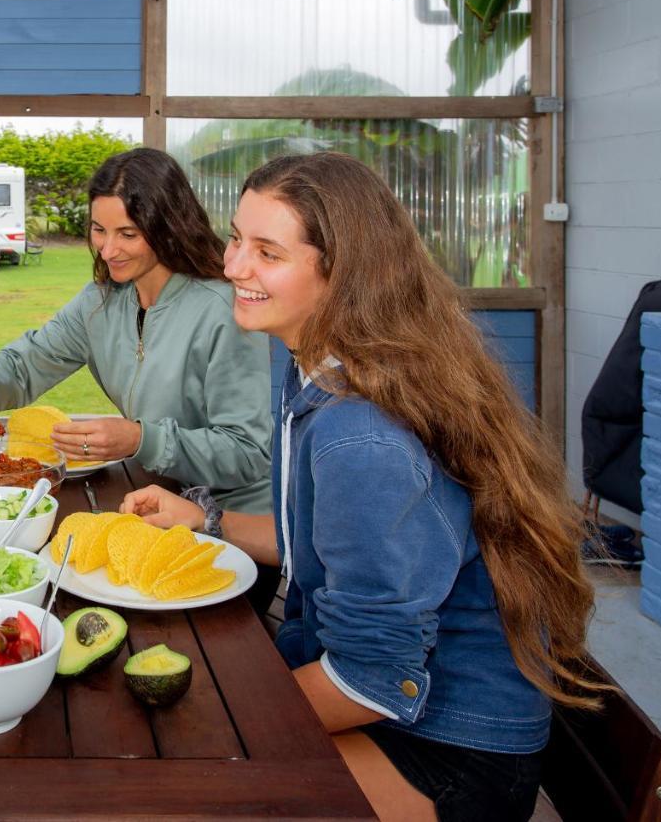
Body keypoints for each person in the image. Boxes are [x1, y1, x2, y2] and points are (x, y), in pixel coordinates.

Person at [122, 153, 604, 821]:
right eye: (237, 238)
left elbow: (373, 680)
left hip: (443, 752)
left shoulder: (360, 431)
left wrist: (219, 712)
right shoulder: (325, 369)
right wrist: (206, 521)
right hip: (406, 709)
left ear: (340, 271)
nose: (232, 266)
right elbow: (321, 545)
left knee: (177, 780)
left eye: (268, 251)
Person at [0, 148, 273, 514]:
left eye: (128, 234)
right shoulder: (100, 303)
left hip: (234, 522)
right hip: (156, 500)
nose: (108, 250)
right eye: (98, 230)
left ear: (167, 227)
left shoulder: (225, 310)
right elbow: (27, 363)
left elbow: (248, 452)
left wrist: (140, 439)